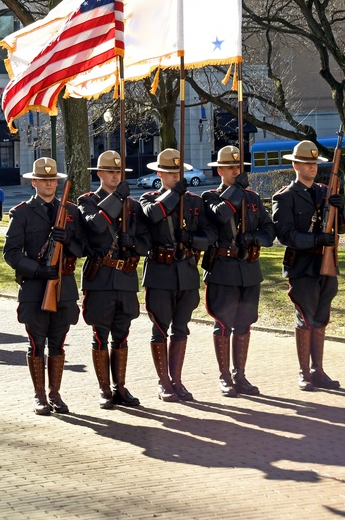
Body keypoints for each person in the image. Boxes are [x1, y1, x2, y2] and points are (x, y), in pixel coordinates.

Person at [3, 158, 85, 415]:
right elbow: (11, 253)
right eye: (44, 180)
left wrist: (68, 239)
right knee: (37, 343)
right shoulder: (22, 213)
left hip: (65, 287)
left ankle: (55, 394)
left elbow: (83, 248)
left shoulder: (71, 211)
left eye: (53, 180)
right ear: (34, 182)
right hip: (35, 288)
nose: (49, 184)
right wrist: (38, 269)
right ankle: (39, 396)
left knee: (58, 344)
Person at [139, 149, 216, 402]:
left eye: (178, 173)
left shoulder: (194, 202)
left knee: (181, 329)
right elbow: (154, 215)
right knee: (160, 328)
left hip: (186, 272)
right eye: (170, 173)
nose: (174, 176)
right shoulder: (148, 198)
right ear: (159, 173)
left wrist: (191, 238)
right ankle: (163, 382)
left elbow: (209, 237)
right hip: (160, 273)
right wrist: (174, 193)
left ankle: (177, 380)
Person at [77, 150, 151, 409]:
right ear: (99, 174)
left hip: (125, 277)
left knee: (122, 334)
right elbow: (95, 225)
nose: (115, 176)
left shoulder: (133, 206)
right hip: (100, 279)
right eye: (110, 172)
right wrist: (117, 197)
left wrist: (134, 244)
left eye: (118, 172)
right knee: (100, 334)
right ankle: (104, 389)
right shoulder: (87, 201)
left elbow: (146, 240)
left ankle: (120, 386)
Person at [271, 140, 345, 391]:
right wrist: (316, 239)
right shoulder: (285, 197)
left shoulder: (325, 191)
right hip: (302, 266)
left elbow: (342, 227)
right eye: (306, 163)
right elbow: (285, 235)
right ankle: (304, 372)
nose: (312, 167)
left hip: (326, 264)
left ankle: (318, 370)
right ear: (295, 165)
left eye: (314, 163)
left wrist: (340, 209)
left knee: (321, 317)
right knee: (305, 317)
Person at [201, 145, 277, 397]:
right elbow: (221, 216)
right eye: (231, 168)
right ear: (220, 170)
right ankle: (224, 376)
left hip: (249, 269)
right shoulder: (210, 197)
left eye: (238, 168)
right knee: (223, 324)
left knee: (244, 324)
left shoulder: (252, 198)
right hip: (223, 270)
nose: (236, 171)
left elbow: (269, 231)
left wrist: (253, 237)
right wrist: (236, 191)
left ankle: (240, 375)